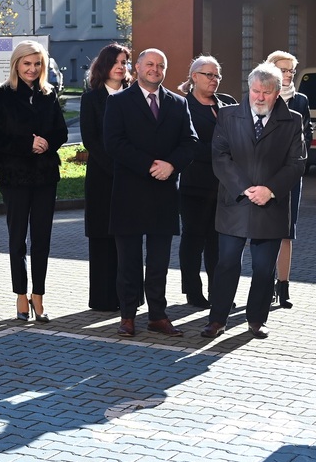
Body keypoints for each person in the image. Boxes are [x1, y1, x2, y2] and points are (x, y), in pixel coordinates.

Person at [201, 62, 305, 339]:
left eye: (266, 92)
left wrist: (269, 190)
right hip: (234, 203)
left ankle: (257, 320)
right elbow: (220, 157)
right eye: (255, 91)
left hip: (271, 205)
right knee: (226, 265)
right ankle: (216, 320)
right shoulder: (227, 116)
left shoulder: (292, 120)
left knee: (263, 268)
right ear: (249, 89)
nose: (259, 97)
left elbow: (297, 163)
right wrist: (245, 188)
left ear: (277, 91)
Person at [104, 48, 197, 337]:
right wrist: (148, 165)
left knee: (158, 263)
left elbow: (191, 142)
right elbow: (113, 143)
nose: (155, 69)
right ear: (138, 67)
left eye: (161, 65)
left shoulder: (178, 103)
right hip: (129, 193)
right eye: (150, 64)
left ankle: (157, 315)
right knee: (129, 261)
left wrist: (172, 165)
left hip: (164, 193)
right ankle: (128, 316)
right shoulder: (119, 102)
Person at [0, 40, 68, 322]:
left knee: (42, 238)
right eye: (26, 63)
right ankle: (20, 294)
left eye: (37, 64)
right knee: (17, 237)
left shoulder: (49, 94)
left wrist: (47, 143)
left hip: (45, 174)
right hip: (14, 174)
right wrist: (26, 144)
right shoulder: (2, 95)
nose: (32, 69)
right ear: (16, 64)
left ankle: (39, 295)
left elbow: (61, 133)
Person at [177, 56, 237, 309]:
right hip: (194, 184)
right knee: (194, 239)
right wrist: (221, 152)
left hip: (224, 185)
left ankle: (219, 292)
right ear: (194, 77)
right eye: (209, 75)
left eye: (217, 75)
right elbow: (186, 144)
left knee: (218, 241)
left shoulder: (228, 104)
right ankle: (193, 292)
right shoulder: (182, 105)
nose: (214, 80)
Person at [79, 43, 131, 312]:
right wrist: (115, 168)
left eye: (126, 62)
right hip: (101, 178)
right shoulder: (91, 99)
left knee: (128, 240)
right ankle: (102, 299)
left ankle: (128, 298)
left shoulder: (135, 97)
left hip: (132, 180)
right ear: (104, 65)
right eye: (117, 62)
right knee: (102, 239)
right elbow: (91, 139)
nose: (122, 67)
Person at [267, 50, 312, 309]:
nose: (288, 75)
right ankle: (264, 281)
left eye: (291, 71)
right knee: (263, 232)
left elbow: (308, 133)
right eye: (283, 70)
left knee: (286, 232)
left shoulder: (301, 100)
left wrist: (301, 164)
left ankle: (283, 286)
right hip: (264, 176)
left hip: (291, 176)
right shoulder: (260, 95)